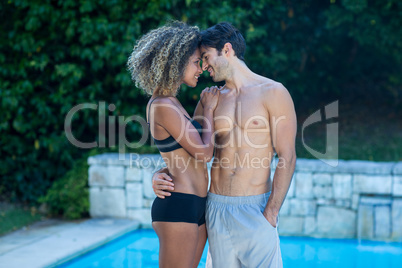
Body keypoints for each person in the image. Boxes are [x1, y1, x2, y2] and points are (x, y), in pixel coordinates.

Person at [152, 22, 297, 268]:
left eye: (206, 57)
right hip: (216, 208)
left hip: (256, 209)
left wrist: (271, 211)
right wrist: (160, 173)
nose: (204, 65)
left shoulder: (274, 93)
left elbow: (288, 156)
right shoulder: (211, 99)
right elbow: (185, 149)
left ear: (227, 50)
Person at [127, 21, 220, 268]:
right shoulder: (161, 105)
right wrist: (209, 109)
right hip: (178, 205)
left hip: (195, 204)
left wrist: (161, 172)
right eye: (195, 62)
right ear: (176, 62)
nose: (200, 68)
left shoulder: (171, 102)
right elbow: (204, 153)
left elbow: (179, 154)